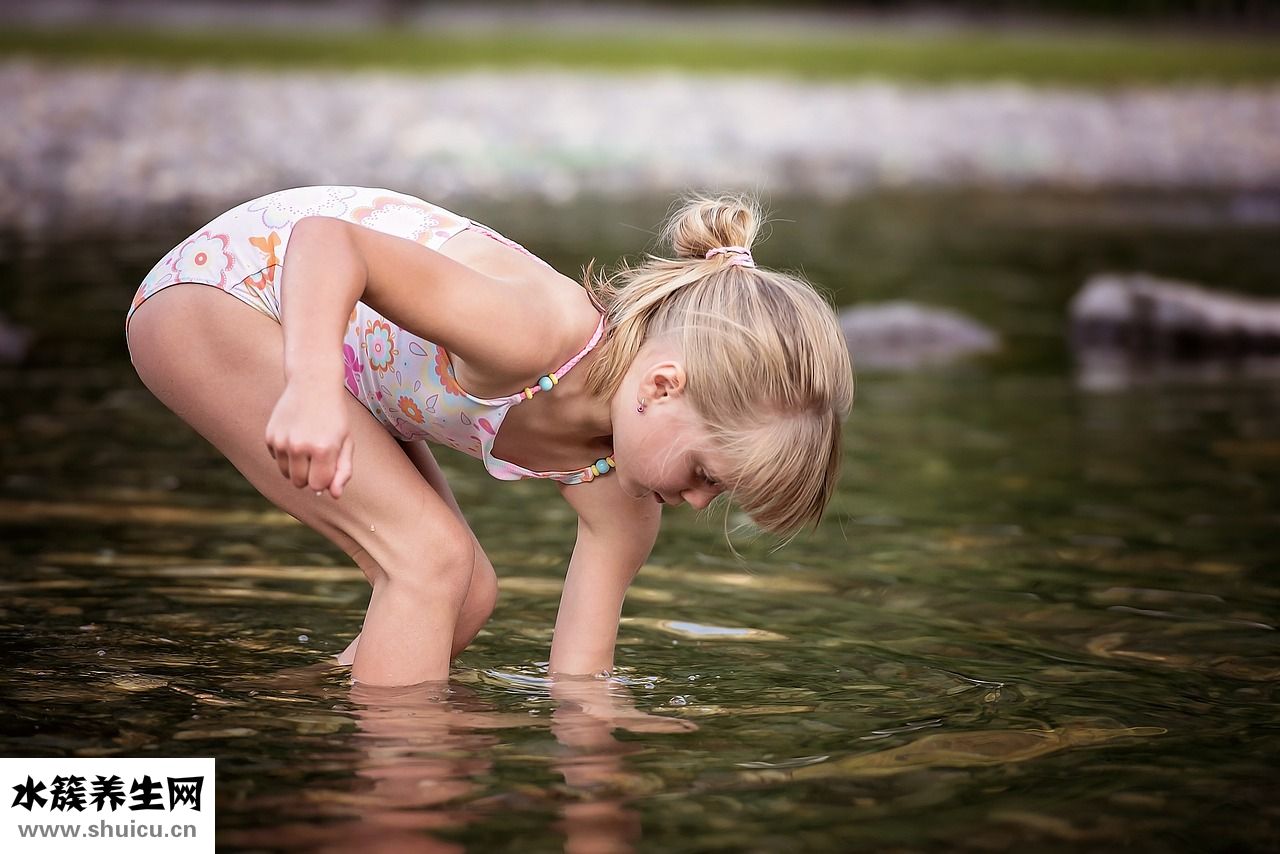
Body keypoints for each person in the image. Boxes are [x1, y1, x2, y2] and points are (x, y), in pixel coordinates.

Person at [124, 186, 854, 687]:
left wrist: (601, 785)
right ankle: (396, 801)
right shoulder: (537, 331)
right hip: (230, 296)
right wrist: (310, 388)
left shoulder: (624, 505)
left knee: (465, 596)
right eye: (706, 474)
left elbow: (578, 681)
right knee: (429, 563)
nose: (696, 502)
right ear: (662, 386)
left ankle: (291, 719)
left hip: (336, 361)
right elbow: (328, 243)